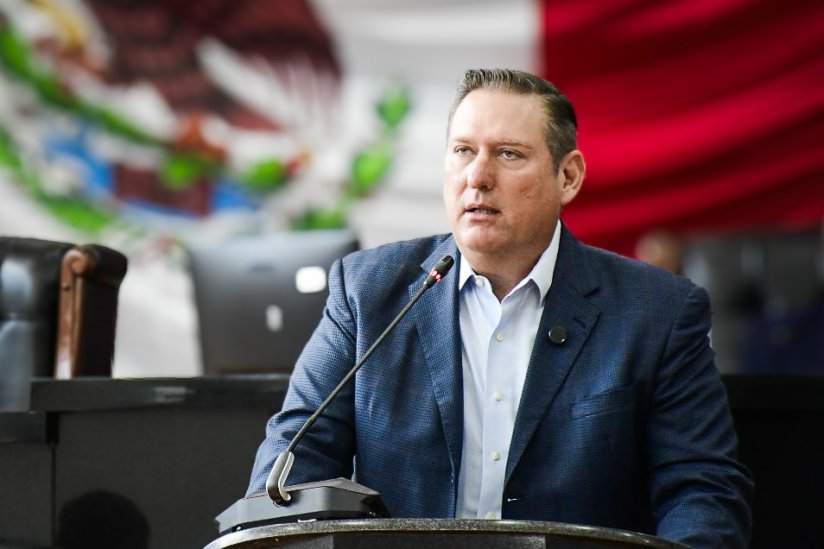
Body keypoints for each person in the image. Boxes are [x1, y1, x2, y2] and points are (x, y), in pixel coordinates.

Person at [247, 69, 753, 547]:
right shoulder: (368, 291)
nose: (478, 176)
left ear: (568, 177)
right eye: (463, 151)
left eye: (508, 154)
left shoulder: (658, 312)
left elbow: (702, 492)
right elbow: (293, 467)